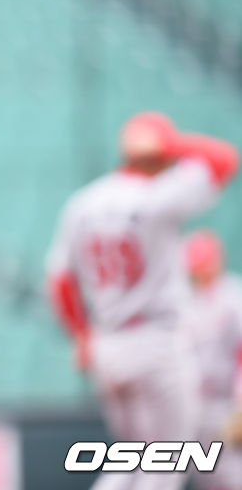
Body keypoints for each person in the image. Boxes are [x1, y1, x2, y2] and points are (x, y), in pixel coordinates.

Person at [46, 111, 238, 490]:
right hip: (156, 339)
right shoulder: (157, 195)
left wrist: (82, 336)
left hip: (108, 342)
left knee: (131, 456)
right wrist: (173, 143)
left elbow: (60, 281)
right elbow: (225, 160)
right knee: (169, 459)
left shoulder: (83, 202)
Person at [183, 229, 242, 490]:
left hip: (228, 401)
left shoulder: (234, 295)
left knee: (233, 476)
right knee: (205, 475)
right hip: (195, 403)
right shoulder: (185, 301)